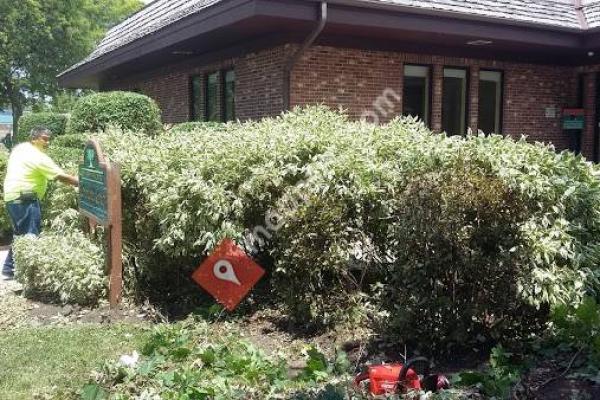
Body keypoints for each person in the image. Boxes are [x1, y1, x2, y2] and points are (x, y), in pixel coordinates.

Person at [1, 127, 78, 280]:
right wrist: (81, 183)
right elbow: (60, 176)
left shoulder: (21, 148)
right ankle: (29, 275)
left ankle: (9, 268)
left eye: (49, 139)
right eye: (44, 138)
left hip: (11, 197)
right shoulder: (37, 157)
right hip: (25, 198)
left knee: (20, 233)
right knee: (30, 234)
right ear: (34, 138)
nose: (47, 142)